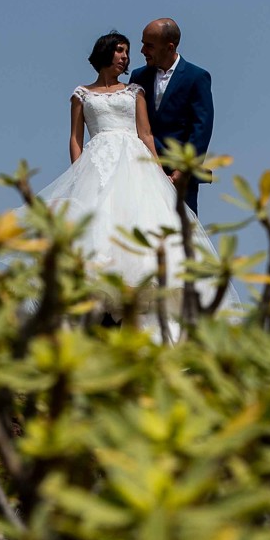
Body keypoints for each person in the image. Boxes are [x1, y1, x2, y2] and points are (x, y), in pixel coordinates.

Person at [28, 29, 231, 340]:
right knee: (99, 230)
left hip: (134, 161)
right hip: (96, 165)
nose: (129, 55)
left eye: (133, 50)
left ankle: (156, 315)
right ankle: (100, 313)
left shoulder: (135, 89)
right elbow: (74, 138)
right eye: (121, 50)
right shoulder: (82, 93)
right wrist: (79, 171)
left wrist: (159, 170)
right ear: (106, 53)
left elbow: (147, 134)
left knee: (146, 225)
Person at [129, 18, 213, 213]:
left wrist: (182, 171)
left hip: (180, 178)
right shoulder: (138, 77)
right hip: (143, 171)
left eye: (148, 45)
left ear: (169, 47)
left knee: (180, 235)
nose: (142, 51)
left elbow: (201, 128)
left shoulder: (196, 77)